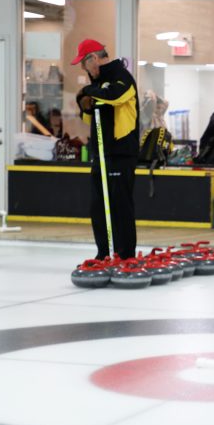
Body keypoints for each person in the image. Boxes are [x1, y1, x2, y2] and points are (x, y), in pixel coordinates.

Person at [73, 38, 139, 260]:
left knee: (120, 205)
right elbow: (88, 115)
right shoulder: (97, 84)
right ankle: (103, 252)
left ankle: (125, 253)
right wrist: (84, 100)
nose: (84, 69)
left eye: (84, 63)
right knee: (98, 206)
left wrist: (87, 92)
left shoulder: (122, 77)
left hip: (121, 153)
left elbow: (115, 96)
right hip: (100, 154)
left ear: (93, 58)